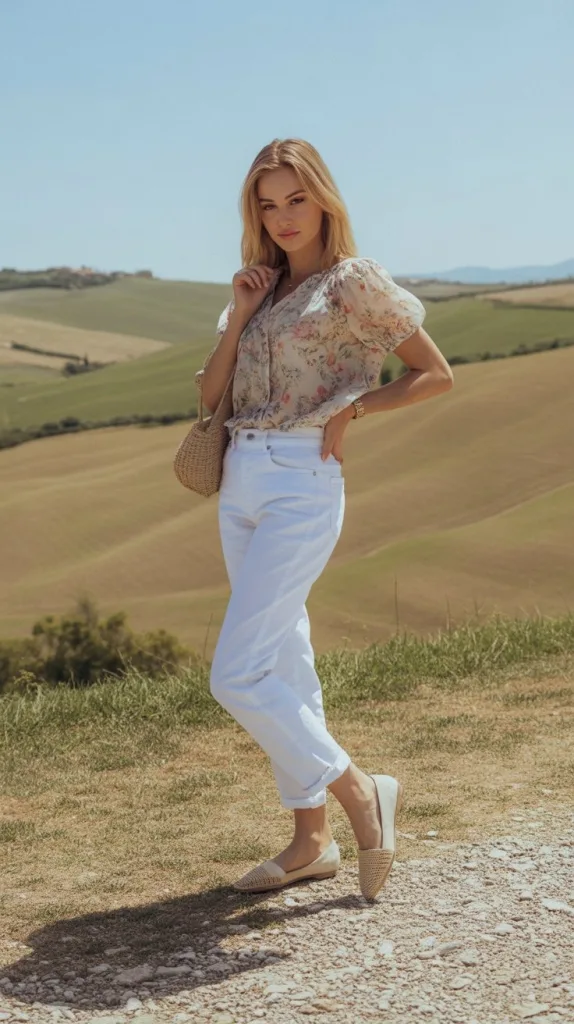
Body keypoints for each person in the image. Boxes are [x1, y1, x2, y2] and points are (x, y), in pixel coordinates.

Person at [195, 138, 454, 899]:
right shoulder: (256, 287)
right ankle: (311, 843)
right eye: (267, 203)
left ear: (324, 199)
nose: (282, 217)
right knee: (280, 664)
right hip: (239, 477)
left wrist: (358, 405)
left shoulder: (353, 282)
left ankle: (360, 791)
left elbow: (434, 373)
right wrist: (240, 313)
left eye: (295, 199)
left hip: (304, 480)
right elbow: (210, 399)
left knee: (236, 673)